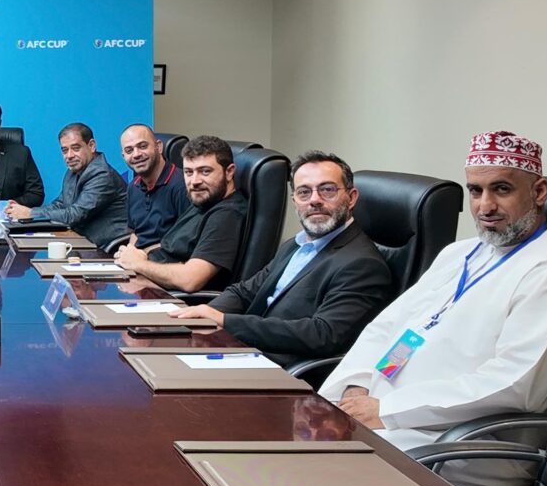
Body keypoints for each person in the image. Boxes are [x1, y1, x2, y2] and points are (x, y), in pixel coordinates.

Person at [319, 132, 547, 474]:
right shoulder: (460, 253)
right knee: (297, 444)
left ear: (539, 192)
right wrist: (356, 387)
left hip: (458, 443)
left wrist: (386, 409)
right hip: (381, 412)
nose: (485, 206)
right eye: (475, 190)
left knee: (322, 472)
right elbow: (387, 327)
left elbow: (514, 384)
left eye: (502, 189)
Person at [167, 150, 394, 364]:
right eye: (304, 192)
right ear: (295, 201)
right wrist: (202, 317)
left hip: (281, 370)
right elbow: (244, 292)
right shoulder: (297, 244)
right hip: (243, 351)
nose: (314, 200)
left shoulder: (363, 265)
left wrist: (225, 321)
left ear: (351, 198)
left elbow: (322, 334)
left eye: (327, 190)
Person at [113, 134, 246, 293]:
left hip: (166, 296)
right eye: (189, 172)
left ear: (229, 172)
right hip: (145, 278)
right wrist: (136, 254)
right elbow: (170, 245)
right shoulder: (204, 201)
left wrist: (139, 264)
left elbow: (190, 280)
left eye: (205, 171)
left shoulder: (227, 215)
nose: (194, 181)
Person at [8, 122, 129, 247]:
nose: (69, 156)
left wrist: (30, 214)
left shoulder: (102, 175)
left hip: (107, 248)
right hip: (81, 241)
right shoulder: (73, 172)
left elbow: (75, 215)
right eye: (65, 150)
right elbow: (60, 204)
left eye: (76, 148)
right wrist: (27, 212)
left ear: (91, 146)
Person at [120, 124, 188, 242]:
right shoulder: (133, 187)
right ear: (123, 156)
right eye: (129, 150)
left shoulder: (182, 185)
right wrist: (129, 250)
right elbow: (135, 233)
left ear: (159, 147)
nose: (136, 154)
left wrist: (143, 252)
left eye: (143, 146)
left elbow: (185, 241)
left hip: (168, 253)